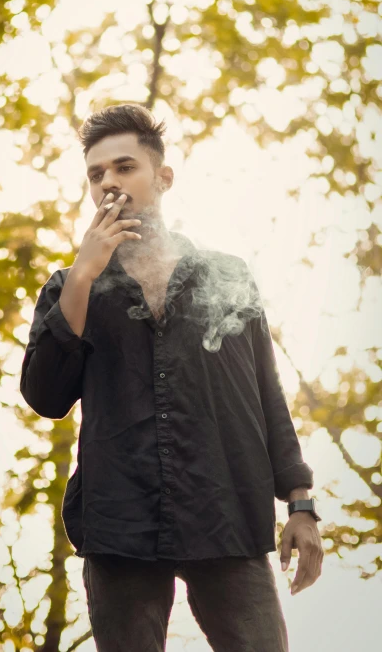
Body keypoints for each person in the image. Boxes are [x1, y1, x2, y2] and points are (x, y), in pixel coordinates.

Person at [20, 103, 324, 651]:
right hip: (119, 526)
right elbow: (44, 397)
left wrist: (299, 503)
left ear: (163, 177)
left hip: (227, 514)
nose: (109, 182)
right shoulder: (71, 286)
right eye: (96, 174)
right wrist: (84, 274)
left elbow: (266, 396)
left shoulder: (228, 277)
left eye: (124, 166)